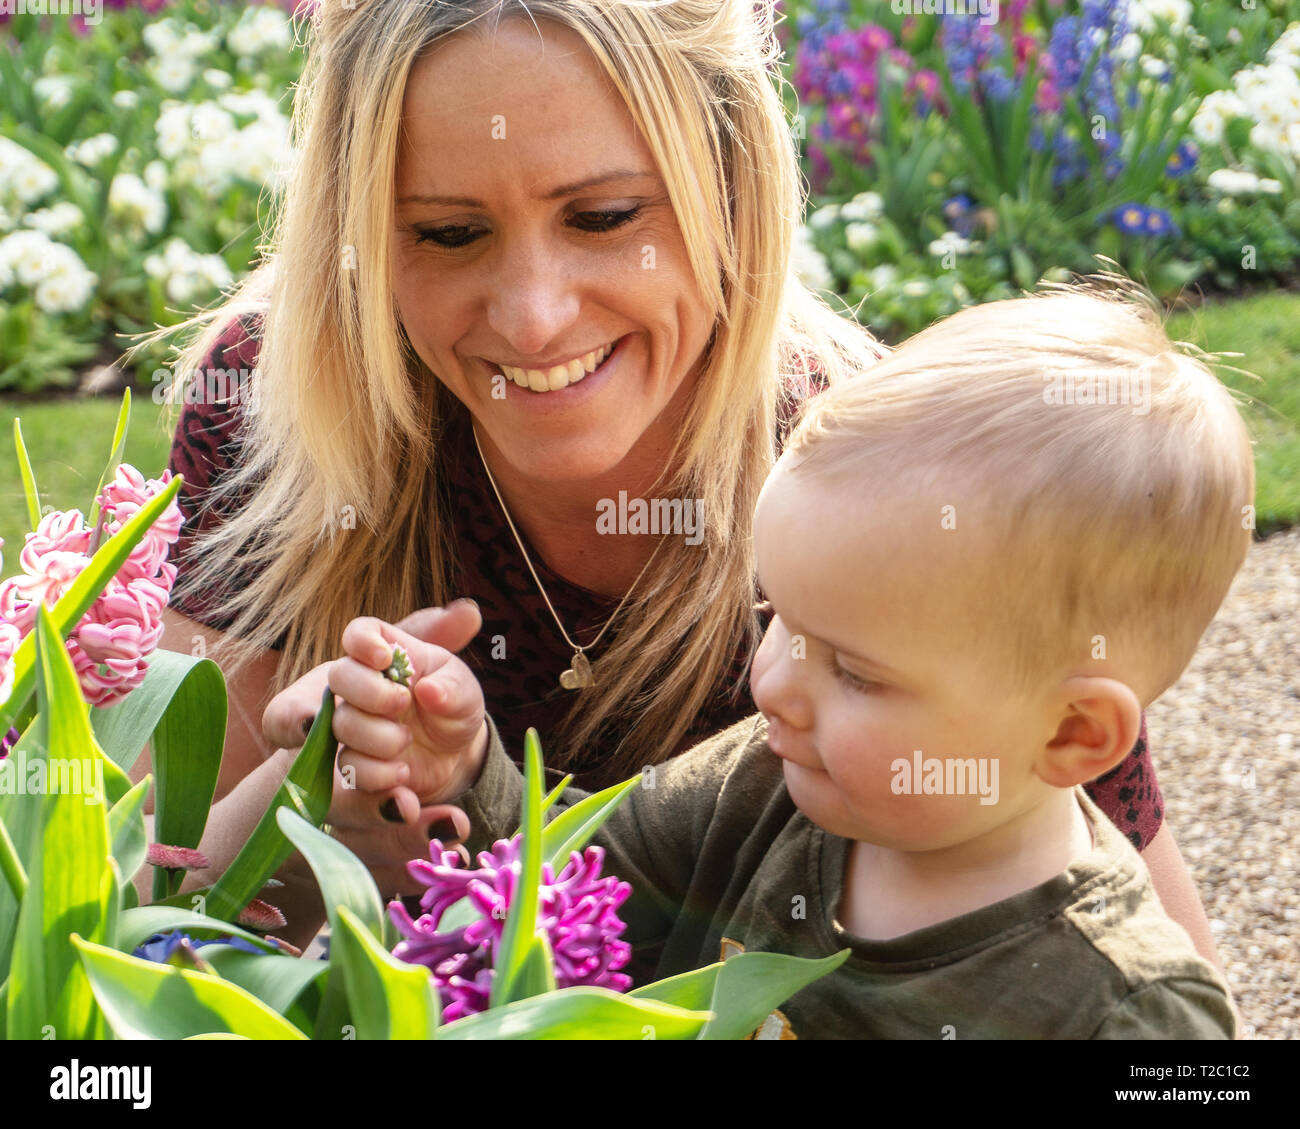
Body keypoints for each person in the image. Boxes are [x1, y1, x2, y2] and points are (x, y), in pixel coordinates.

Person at [135, 2, 1210, 964]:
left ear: (735, 180)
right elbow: (138, 917)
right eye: (450, 233)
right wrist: (314, 817)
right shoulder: (273, 406)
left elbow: (1149, 968)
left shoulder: (893, 498)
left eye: (605, 217)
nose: (534, 317)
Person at [338, 288, 1247, 1038]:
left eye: (854, 671)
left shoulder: (1128, 1010)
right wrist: (466, 770)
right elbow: (569, 894)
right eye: (777, 620)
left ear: (1075, 733)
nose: (772, 685)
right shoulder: (760, 787)